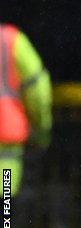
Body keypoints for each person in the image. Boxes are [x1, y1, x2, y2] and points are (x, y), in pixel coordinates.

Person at [0, 23, 52, 196]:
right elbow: (39, 90)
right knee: (5, 208)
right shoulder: (11, 40)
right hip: (6, 135)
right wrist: (42, 130)